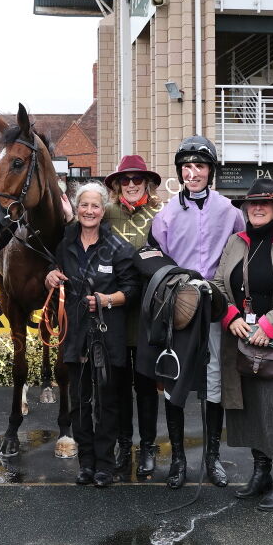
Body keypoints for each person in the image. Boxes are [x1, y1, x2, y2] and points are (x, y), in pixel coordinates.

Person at [150, 136, 245, 489]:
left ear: (211, 171)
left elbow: (242, 253)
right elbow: (154, 257)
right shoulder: (167, 214)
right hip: (180, 308)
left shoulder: (230, 211)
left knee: (215, 382)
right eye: (187, 167)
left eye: (200, 166)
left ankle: (212, 458)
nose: (193, 173)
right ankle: (177, 460)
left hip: (216, 307)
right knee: (175, 382)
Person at [212, 179, 273, 511]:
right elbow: (217, 284)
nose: (257, 207)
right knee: (252, 406)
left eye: (265, 203)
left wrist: (268, 325)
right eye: (252, 203)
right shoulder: (235, 242)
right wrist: (230, 315)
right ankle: (261, 473)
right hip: (241, 338)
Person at [45, 182, 139, 487]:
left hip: (106, 333)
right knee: (79, 401)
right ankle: (85, 463)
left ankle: (104, 465)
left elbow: (131, 291)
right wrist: (49, 275)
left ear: (103, 210)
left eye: (95, 206)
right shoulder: (65, 241)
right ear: (77, 207)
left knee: (107, 402)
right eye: (83, 205)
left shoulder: (119, 248)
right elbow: (52, 266)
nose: (89, 211)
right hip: (74, 331)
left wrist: (106, 299)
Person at [102, 154, 163, 479]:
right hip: (115, 309)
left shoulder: (160, 213)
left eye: (136, 179)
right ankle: (124, 445)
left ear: (147, 182)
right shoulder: (106, 213)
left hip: (147, 312)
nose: (130, 184)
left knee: (145, 385)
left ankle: (149, 446)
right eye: (124, 179)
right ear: (115, 185)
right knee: (119, 385)